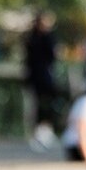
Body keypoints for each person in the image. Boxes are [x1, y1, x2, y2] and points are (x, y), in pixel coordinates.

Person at [24, 12, 60, 152]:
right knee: (38, 105)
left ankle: (44, 130)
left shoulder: (35, 38)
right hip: (41, 77)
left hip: (39, 77)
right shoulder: (40, 39)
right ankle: (39, 131)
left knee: (44, 104)